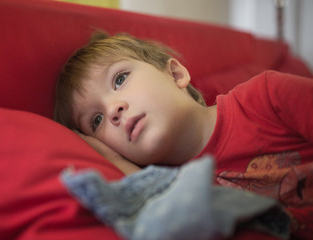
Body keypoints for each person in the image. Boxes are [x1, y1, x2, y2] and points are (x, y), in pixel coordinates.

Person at [55, 31, 313, 238]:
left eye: (120, 79)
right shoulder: (169, 187)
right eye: (96, 120)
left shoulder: (267, 96)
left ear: (176, 74)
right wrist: (117, 162)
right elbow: (150, 202)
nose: (113, 110)